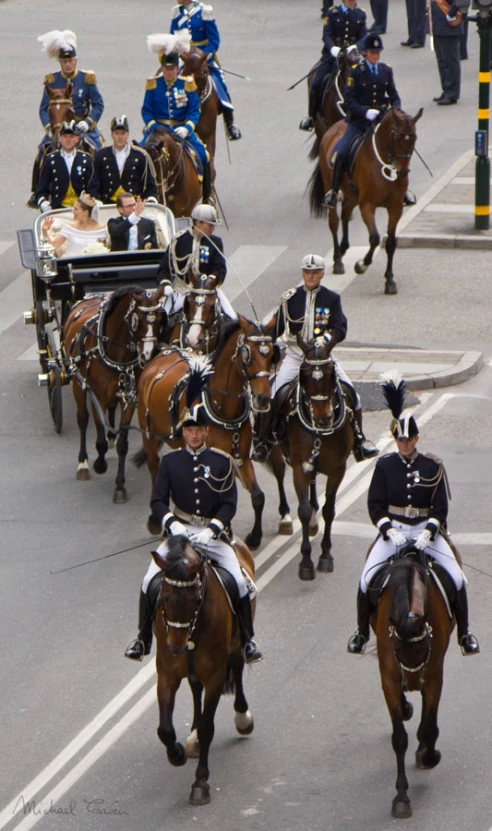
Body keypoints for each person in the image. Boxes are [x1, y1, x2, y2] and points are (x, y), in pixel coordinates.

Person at [347, 373, 479, 656]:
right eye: (400, 440)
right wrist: (388, 530)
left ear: (417, 438)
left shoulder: (432, 466)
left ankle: (465, 634)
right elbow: (375, 504)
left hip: (424, 532)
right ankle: (360, 633)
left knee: (456, 578)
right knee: (366, 578)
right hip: (393, 531)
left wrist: (429, 532)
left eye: (408, 440)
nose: (404, 445)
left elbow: (440, 506)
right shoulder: (384, 466)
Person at [124, 404, 262, 664]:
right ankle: (142, 639)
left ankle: (248, 641)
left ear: (207, 431)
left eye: (199, 430)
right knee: (148, 580)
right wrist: (171, 523)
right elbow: (158, 500)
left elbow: (229, 503)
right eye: (190, 430)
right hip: (181, 529)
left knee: (241, 582)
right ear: (183, 433)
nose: (195, 435)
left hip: (212, 532)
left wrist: (213, 529)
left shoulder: (222, 462)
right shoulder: (170, 461)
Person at [252, 254, 379, 464]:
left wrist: (325, 341)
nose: (310, 276)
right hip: (296, 357)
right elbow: (277, 327)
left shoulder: (331, 299)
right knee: (274, 394)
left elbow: (340, 327)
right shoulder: (290, 298)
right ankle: (263, 442)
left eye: (315, 272)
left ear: (322, 273)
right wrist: (265, 339)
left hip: (322, 357)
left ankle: (359, 441)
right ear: (302, 273)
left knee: (352, 394)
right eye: (307, 272)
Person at [322, 33, 416, 208]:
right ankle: (333, 191)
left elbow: (394, 96)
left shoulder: (386, 70)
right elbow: (349, 100)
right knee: (341, 153)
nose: (376, 56)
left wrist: (395, 112)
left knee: (401, 148)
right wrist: (365, 112)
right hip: (359, 122)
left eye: (378, 52)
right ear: (365, 53)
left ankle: (403, 191)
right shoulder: (356, 72)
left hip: (380, 121)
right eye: (372, 52)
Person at [28, 29, 104, 206]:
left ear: (75, 61)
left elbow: (98, 105)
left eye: (70, 60)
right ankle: (36, 192)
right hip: (58, 126)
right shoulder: (52, 80)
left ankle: (100, 191)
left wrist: (87, 123)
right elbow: (43, 109)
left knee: (99, 151)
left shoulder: (87, 79)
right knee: (41, 151)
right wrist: (50, 128)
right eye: (64, 61)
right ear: (60, 62)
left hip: (81, 125)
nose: (68, 64)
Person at [141, 47, 213, 205]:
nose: (169, 72)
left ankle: (207, 198)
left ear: (177, 69)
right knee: (139, 155)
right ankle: (137, 195)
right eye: (166, 69)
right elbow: (146, 111)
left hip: (181, 129)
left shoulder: (186, 84)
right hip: (157, 129)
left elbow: (194, 110)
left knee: (203, 155)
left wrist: (187, 128)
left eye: (172, 69)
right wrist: (154, 128)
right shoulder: (153, 84)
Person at [170, 0, 241, 140]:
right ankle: (161, 118)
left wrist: (202, 56)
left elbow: (214, 40)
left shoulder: (204, 11)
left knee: (219, 80)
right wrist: (180, 53)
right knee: (168, 79)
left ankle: (230, 123)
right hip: (184, 56)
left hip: (203, 56)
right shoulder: (177, 12)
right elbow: (173, 37)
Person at [157, 203, 236, 318]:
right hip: (182, 290)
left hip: (207, 290)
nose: (213, 229)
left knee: (231, 318)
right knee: (162, 320)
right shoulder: (178, 240)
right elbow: (165, 267)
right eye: (210, 225)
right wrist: (165, 283)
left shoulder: (215, 242)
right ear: (198, 223)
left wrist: (211, 280)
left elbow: (220, 268)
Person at [300, 0, 367, 132]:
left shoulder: (361, 15)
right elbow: (326, 35)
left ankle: (371, 115)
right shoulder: (332, 13)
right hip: (333, 57)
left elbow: (364, 37)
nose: (351, 2)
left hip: (352, 58)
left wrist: (355, 47)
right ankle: (312, 117)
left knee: (369, 80)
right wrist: (332, 48)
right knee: (316, 83)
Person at [88, 115, 158, 204]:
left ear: (128, 134)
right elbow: (94, 183)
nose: (120, 137)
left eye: (123, 133)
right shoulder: (101, 156)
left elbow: (150, 185)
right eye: (117, 133)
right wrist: (96, 200)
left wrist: (150, 198)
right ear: (112, 135)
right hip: (107, 204)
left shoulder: (141, 155)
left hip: (134, 205)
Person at [35, 121, 93, 211]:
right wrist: (42, 201)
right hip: (58, 208)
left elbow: (92, 186)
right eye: (65, 136)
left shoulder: (86, 159)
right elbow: (42, 187)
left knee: (96, 146)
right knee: (40, 152)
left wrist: (94, 200)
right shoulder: (51, 159)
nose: (68, 140)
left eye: (71, 136)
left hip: (82, 209)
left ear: (77, 139)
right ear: (60, 139)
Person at [40, 192, 107, 257]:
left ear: (85, 213)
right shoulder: (69, 226)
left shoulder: (102, 229)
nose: (72, 211)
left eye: (76, 209)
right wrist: (44, 230)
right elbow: (53, 245)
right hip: (69, 264)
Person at [430, 0, 463, 105]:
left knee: (450, 62)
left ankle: (452, 93)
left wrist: (451, 14)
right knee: (442, 61)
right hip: (438, 25)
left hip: (449, 26)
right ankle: (446, 89)